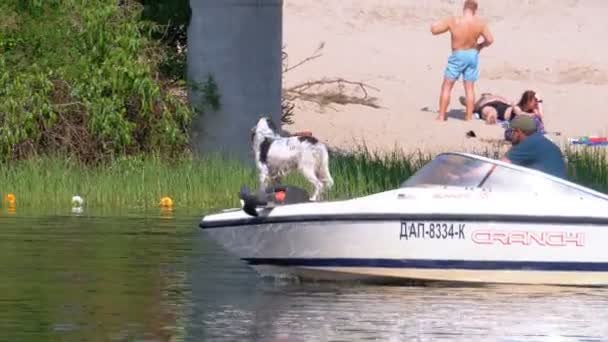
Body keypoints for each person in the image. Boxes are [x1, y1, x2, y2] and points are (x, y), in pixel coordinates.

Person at [431, 0, 494, 121]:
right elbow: (490, 40)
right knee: (469, 87)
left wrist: (435, 23)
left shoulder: (454, 20)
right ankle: (469, 116)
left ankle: (441, 115)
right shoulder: (480, 23)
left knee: (447, 86)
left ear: (464, 6)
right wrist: (480, 46)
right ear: (475, 9)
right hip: (472, 54)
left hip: (458, 54)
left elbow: (434, 30)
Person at [501, 115, 566, 179]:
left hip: (544, 187)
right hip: (559, 187)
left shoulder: (527, 144)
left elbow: (500, 166)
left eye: (512, 131)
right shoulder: (546, 142)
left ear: (518, 132)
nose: (511, 135)